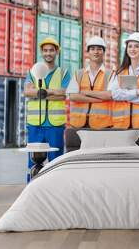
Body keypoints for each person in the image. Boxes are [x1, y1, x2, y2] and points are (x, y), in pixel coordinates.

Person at [24, 37, 70, 182]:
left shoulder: (63, 73)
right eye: (45, 50)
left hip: (55, 125)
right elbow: (27, 92)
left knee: (56, 161)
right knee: (33, 162)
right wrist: (52, 92)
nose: (48, 53)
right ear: (41, 52)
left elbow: (63, 94)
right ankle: (30, 190)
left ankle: (56, 190)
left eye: (51, 50)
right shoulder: (32, 72)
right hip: (35, 124)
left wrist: (41, 93)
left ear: (57, 52)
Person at [109, 32, 139, 129]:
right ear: (126, 50)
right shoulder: (120, 73)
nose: (132, 49)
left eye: (136, 46)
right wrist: (137, 92)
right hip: (121, 125)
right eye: (130, 46)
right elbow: (114, 94)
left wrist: (125, 97)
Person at [66, 36, 112, 129]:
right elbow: (73, 96)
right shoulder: (78, 73)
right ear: (88, 52)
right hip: (78, 125)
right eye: (92, 49)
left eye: (99, 49)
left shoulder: (110, 74)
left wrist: (84, 92)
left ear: (104, 52)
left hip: (102, 125)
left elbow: (110, 95)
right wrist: (99, 99)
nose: (96, 52)